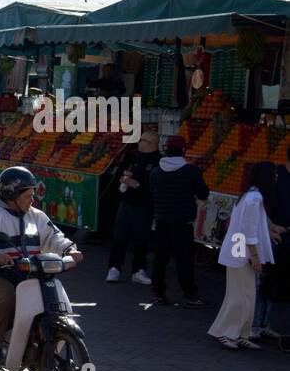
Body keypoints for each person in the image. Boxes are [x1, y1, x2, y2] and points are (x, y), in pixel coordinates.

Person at [0, 166, 83, 363]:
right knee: (7, 297)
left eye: (32, 195)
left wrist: (69, 250)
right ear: (11, 195)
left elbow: (54, 236)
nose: (32, 199)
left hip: (30, 273)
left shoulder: (36, 216)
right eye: (27, 195)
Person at [208, 162, 278, 349]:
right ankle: (226, 332)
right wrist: (254, 256)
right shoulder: (255, 198)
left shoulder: (250, 195)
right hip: (241, 253)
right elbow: (249, 230)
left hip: (238, 251)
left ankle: (237, 333)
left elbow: (251, 227)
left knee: (243, 295)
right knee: (241, 295)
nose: (276, 178)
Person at [150, 135, 210, 308]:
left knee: (160, 258)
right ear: (183, 150)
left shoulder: (156, 171)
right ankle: (190, 295)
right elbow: (203, 193)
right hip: (182, 222)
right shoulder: (191, 171)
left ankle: (158, 293)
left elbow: (151, 193)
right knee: (184, 260)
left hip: (161, 221)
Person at [107, 129, 161, 284]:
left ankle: (138, 270)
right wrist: (124, 180)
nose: (139, 143)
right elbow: (120, 173)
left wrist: (137, 185)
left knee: (141, 238)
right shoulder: (132, 156)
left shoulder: (158, 161)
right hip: (126, 202)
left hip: (144, 205)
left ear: (151, 144)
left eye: (142, 140)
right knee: (119, 236)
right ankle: (114, 268)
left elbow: (155, 186)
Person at [252, 144, 290, 338]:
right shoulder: (275, 176)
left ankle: (266, 323)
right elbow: (260, 211)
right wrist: (271, 227)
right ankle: (254, 324)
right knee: (263, 281)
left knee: (278, 282)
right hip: (271, 238)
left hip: (283, 236)